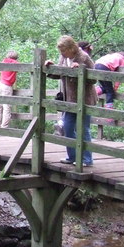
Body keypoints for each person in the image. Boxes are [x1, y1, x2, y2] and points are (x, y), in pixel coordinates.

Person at [45, 35, 97, 167]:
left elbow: (94, 78)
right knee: (67, 127)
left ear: (71, 48)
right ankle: (72, 156)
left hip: (84, 99)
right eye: (61, 52)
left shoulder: (84, 57)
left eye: (64, 51)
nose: (62, 54)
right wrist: (51, 68)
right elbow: (60, 73)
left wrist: (80, 69)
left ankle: (87, 159)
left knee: (83, 128)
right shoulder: (63, 57)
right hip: (69, 100)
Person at [0, 50, 19, 128]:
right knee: (7, 107)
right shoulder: (15, 63)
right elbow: (19, 65)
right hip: (7, 86)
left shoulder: (4, 61)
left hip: (0, 85)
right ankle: (4, 127)